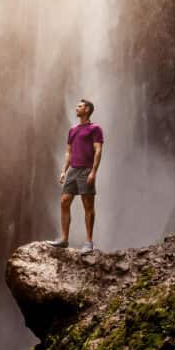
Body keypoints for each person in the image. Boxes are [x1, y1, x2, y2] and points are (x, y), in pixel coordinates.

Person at [50, 99, 103, 252]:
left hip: (86, 170)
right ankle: (64, 239)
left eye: (79, 106)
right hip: (73, 170)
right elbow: (69, 152)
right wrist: (63, 171)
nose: (76, 108)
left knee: (88, 205)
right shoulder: (72, 130)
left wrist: (94, 171)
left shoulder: (95, 129)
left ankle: (88, 242)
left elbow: (98, 150)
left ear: (87, 110)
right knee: (64, 201)